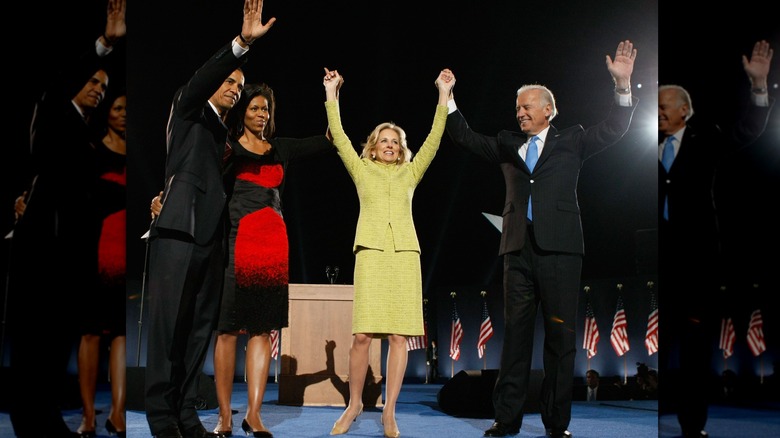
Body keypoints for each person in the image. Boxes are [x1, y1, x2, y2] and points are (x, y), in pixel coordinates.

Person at [444, 40, 638, 438]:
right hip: (517, 250)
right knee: (515, 337)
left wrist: (622, 86)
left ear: (548, 109)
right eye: (517, 108)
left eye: (527, 106)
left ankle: (556, 423)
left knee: (561, 338)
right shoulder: (505, 143)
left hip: (561, 252)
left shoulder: (574, 139)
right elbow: (464, 137)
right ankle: (507, 419)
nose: (520, 113)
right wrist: (447, 98)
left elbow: (616, 128)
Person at [143, 1, 275, 437]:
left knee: (198, 333)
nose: (236, 89)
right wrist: (240, 45)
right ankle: (161, 418)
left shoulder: (226, 132)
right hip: (179, 232)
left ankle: (184, 412)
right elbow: (201, 81)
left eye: (240, 85)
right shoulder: (189, 107)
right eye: (231, 81)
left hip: (213, 241)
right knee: (168, 333)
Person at [5, 1, 125, 437]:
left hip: (70, 251)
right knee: (35, 341)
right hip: (44, 246)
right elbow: (58, 86)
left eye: (103, 84)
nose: (98, 88)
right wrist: (102, 47)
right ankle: (32, 418)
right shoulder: (57, 110)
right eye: (92, 82)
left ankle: (44, 415)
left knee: (56, 341)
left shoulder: (85, 131)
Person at [322, 67, 454, 438]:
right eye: (383, 140)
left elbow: (434, 139)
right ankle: (354, 404)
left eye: (395, 140)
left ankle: (390, 411)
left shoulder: (411, 172)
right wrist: (332, 93)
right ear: (373, 146)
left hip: (404, 257)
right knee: (362, 335)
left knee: (399, 337)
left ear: (401, 148)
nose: (390, 144)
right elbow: (341, 139)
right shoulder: (361, 169)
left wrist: (443, 94)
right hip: (371, 255)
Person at [658, 40, 774, 438]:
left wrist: (758, 87)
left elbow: (748, 130)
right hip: (658, 265)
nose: (657, 113)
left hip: (696, 263)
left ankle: (693, 427)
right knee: (662, 343)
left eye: (663, 107)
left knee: (693, 349)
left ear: (684, 111)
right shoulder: (647, 148)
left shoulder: (705, 139)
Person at [211, 82, 333, 437]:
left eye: (265, 109)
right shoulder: (228, 148)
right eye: (254, 108)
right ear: (242, 112)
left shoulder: (281, 148)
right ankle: (224, 417)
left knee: (262, 330)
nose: (261, 114)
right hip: (236, 245)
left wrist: (331, 97)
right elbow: (198, 179)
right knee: (229, 330)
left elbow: (328, 139)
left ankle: (254, 414)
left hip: (272, 248)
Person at [79, 89, 127, 437]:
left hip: (125, 257)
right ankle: (88, 417)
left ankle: (118, 414)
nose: (125, 113)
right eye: (119, 107)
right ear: (107, 112)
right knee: (92, 333)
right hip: (95, 255)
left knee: (122, 335)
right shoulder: (92, 152)